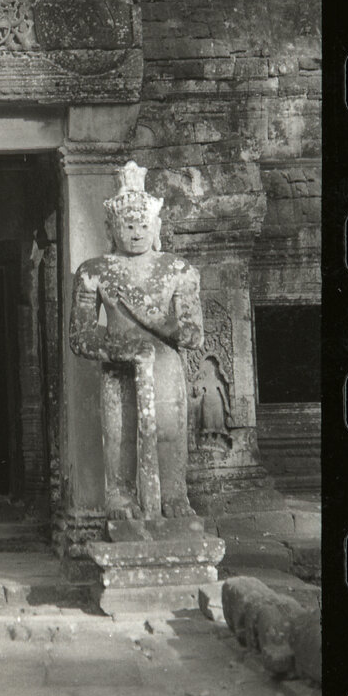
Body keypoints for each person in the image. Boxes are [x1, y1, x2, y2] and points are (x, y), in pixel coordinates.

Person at [69, 161, 203, 520]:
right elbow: (80, 337)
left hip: (164, 366)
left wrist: (150, 316)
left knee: (169, 431)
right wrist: (123, 350)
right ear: (111, 228)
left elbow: (192, 334)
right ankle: (121, 495)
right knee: (119, 434)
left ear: (156, 227)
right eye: (128, 226)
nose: (137, 232)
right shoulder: (94, 271)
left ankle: (174, 494)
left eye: (144, 225)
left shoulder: (177, 269)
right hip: (118, 366)